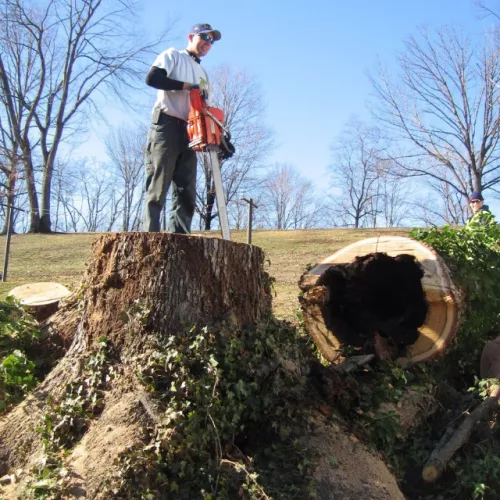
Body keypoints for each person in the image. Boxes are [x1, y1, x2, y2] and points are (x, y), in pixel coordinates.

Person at [143, 23, 221, 233]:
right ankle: (150, 237)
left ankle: (180, 241)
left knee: (186, 190)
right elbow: (152, 78)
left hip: (191, 132)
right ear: (191, 37)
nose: (207, 43)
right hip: (166, 125)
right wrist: (186, 86)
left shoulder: (204, 74)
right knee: (158, 184)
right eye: (204, 37)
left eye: (211, 41)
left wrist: (218, 134)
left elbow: (206, 109)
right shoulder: (173, 56)